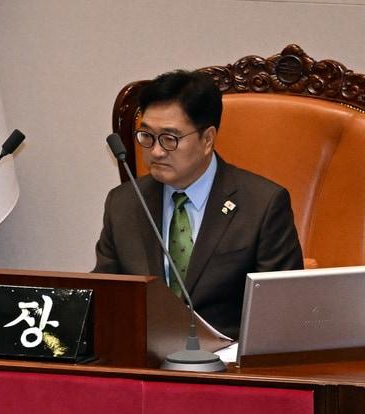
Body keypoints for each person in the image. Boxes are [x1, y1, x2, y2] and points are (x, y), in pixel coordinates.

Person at [93, 70, 303, 339]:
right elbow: (106, 293)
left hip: (228, 358)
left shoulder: (263, 205)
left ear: (207, 139)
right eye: (147, 135)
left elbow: (281, 311)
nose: (156, 151)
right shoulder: (124, 202)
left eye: (170, 138)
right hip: (146, 354)